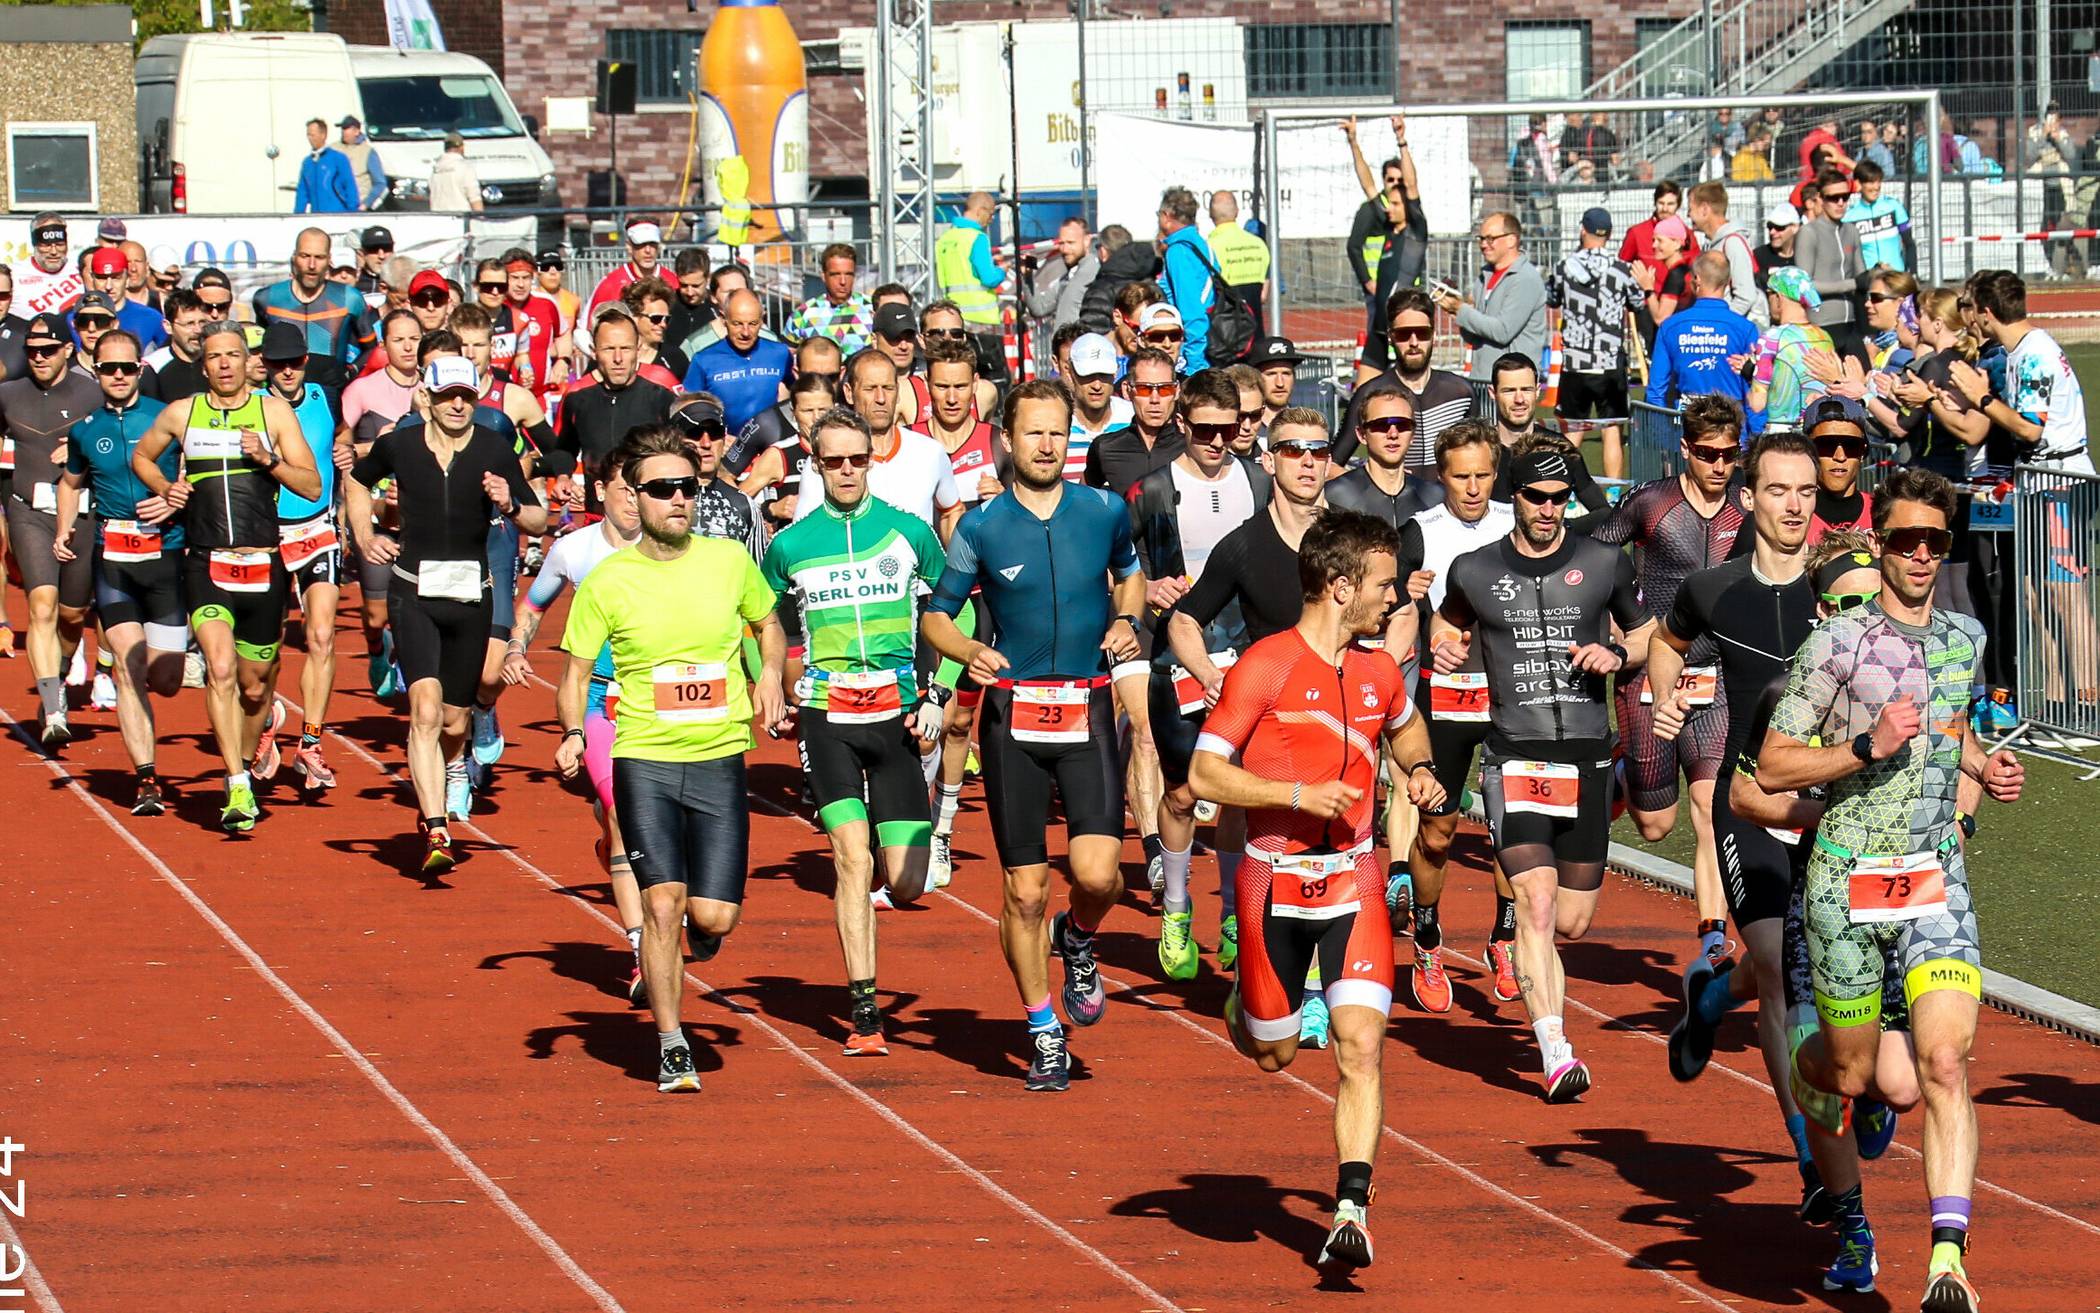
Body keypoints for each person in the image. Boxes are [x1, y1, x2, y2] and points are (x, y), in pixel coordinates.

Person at [1757, 467, 2024, 1313]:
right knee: (1853, 1068)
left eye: (1933, 542)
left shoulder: (1964, 637)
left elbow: (1952, 724)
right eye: (1903, 539)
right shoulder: (1835, 646)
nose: (1917, 553)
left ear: (1946, 550)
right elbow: (1771, 765)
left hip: (1933, 877)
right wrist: (1866, 746)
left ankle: (1947, 1258)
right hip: (1844, 878)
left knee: (1945, 1061)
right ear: (1881, 544)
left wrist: (1986, 762)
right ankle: (1815, 1075)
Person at [1192, 509, 1444, 1272]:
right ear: (1340, 587)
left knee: (1360, 1047)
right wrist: (1297, 795)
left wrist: (1422, 770)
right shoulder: (1265, 664)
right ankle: (1246, 1005)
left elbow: (1404, 728)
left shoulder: (1376, 669)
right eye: (1382, 584)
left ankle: (1350, 1210)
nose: (1393, 597)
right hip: (1272, 879)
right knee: (1274, 1053)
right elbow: (1206, 774)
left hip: (1355, 882)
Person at [921, 379, 1146, 1092]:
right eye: (1034, 433)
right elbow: (935, 616)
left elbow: (1132, 579)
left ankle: (1077, 936)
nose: (1047, 445)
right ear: (1008, 441)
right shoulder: (983, 527)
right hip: (1013, 716)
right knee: (1023, 891)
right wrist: (965, 650)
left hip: (1085, 708)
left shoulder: (1105, 510)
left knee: (1099, 874)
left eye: (1058, 433)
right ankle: (1043, 1026)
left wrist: (1124, 620)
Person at [555, 425, 788, 1093]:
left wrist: (770, 673)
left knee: (712, 916)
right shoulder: (609, 581)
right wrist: (573, 730)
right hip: (645, 759)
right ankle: (671, 1039)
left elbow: (768, 622)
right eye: (663, 488)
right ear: (634, 496)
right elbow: (573, 672)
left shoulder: (727, 562)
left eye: (687, 486)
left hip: (718, 758)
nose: (679, 498)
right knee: (662, 904)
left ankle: (700, 943)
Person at [1433, 445, 1653, 1100]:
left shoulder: (1604, 561)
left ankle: (1539, 976)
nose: (1550, 509)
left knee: (1574, 920)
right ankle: (1555, 1047)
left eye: (1560, 497)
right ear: (1515, 499)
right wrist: (1442, 648)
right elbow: (1448, 627)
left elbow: (1647, 634)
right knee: (1535, 899)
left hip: (1586, 756)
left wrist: (1616, 652)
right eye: (1537, 497)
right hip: (1516, 756)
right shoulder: (1474, 569)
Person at [1650, 429, 1823, 1162]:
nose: (1793, 505)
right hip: (1747, 799)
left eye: (1806, 491)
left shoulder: (1838, 584)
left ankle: (1714, 996)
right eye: (1778, 490)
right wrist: (1665, 701)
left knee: (1785, 959)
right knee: (1784, 976)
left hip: (1828, 804)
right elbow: (1664, 640)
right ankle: (1809, 1158)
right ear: (1749, 498)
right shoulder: (1713, 588)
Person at [761, 406, 947, 1052]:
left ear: (872, 460)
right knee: (849, 854)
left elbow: (958, 613)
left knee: (904, 880)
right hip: (827, 715)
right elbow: (766, 616)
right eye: (833, 460)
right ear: (815, 462)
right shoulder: (791, 545)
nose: (846, 470)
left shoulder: (908, 532)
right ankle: (865, 1012)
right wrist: (772, 677)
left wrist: (938, 691)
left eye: (857, 459)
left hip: (896, 716)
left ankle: (884, 857)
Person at [1167, 408, 1335, 1031]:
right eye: (1293, 451)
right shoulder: (1243, 544)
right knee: (1273, 843)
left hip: (1337, 716)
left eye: (1318, 450)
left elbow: (1391, 605)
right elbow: (1184, 618)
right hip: (1267, 715)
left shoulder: (1345, 535)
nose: (1308, 462)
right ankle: (1259, 968)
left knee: (1334, 842)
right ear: (1269, 460)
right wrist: (1213, 678)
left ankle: (1315, 985)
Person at [345, 355, 543, 867]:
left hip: (470, 598)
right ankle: (435, 828)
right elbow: (355, 480)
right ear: (427, 398)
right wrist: (366, 535)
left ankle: (451, 767)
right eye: (448, 395)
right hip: (413, 593)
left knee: (455, 721)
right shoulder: (400, 445)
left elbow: (539, 518)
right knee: (425, 710)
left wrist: (510, 504)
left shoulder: (495, 447)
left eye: (467, 395)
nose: (458, 404)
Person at [129, 323, 321, 830]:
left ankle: (251, 754)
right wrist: (167, 487)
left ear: (246, 360)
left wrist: (268, 459)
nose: (225, 364)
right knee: (219, 667)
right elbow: (143, 455)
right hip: (206, 562)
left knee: (256, 689)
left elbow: (311, 482)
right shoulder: (182, 413)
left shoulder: (273, 412)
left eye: (233, 355)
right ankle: (236, 784)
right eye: (215, 357)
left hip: (262, 565)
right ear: (203, 364)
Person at [1589, 394, 1747, 965]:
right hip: (1648, 676)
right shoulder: (1651, 503)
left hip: (1716, 679)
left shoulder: (1744, 511)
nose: (1719, 467)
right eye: (1708, 455)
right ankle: (1620, 773)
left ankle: (1711, 939)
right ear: (1685, 450)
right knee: (1655, 825)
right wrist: (1619, 624)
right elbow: (1594, 558)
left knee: (1710, 805)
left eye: (1730, 455)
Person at [1129, 368, 1269, 978]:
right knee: (1186, 790)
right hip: (1176, 656)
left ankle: (1236, 912)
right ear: (1182, 424)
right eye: (1206, 430)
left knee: (1239, 790)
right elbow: (1121, 564)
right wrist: (1145, 585)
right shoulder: (1152, 491)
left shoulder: (1261, 482)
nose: (1218, 441)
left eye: (1230, 428)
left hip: (1248, 651)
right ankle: (1179, 909)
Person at [507, 449, 648, 996]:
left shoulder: (669, 550)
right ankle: (640, 948)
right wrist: (518, 648)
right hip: (596, 702)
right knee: (620, 812)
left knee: (637, 818)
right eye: (624, 489)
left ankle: (615, 844)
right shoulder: (573, 550)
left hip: (656, 701)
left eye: (642, 489)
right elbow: (534, 605)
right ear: (601, 494)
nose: (635, 501)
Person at [1402, 422, 1521, 1008]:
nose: (1472, 488)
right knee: (1439, 830)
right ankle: (1426, 935)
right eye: (1459, 476)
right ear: (1440, 476)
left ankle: (1505, 936)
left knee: (1512, 830)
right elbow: (1389, 608)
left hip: (1508, 696)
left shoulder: (1517, 521)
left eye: (1482, 475)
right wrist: (1423, 622)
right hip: (1444, 700)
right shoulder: (1420, 532)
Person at [51, 330, 182, 809]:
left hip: (167, 555)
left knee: (165, 681)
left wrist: (174, 499)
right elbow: (70, 483)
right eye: (109, 369)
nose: (119, 376)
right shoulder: (86, 429)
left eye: (128, 368)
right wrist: (64, 529)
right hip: (115, 560)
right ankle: (146, 778)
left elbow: (196, 469)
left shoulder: (165, 417)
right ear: (95, 370)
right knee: (128, 666)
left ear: (141, 369)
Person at [253, 323, 346, 793]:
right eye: (277, 363)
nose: (287, 371)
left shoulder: (326, 396)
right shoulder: (252, 408)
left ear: (305, 362)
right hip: (266, 534)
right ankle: (267, 716)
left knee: (322, 635)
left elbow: (343, 438)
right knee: (263, 648)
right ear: (264, 364)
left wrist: (348, 452)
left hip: (316, 529)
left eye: (294, 362)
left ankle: (310, 742)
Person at [2, 313, 102, 743]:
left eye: (47, 350)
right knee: (41, 604)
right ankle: (52, 706)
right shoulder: (7, 395)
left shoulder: (93, 393)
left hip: (80, 513)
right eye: (31, 352)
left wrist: (81, 447)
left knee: (72, 613)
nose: (38, 358)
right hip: (28, 511)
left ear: (66, 350)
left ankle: (58, 676)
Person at [793, 348, 960, 536]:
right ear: (849, 393)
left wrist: (953, 561)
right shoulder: (829, 461)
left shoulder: (930, 452)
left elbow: (951, 510)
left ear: (897, 391)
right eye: (870, 389)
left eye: (888, 388)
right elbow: (804, 534)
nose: (881, 399)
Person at [1951, 269, 2092, 473]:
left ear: (1987, 314)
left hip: (2059, 481)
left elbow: (2029, 428)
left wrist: (1982, 398)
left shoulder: (2034, 356)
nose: (1970, 317)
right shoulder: (2021, 350)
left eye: (1972, 308)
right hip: (2041, 476)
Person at [1334, 289, 1475, 474]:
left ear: (1433, 335)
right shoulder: (1370, 394)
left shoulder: (1461, 392)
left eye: (1422, 333)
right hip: (1391, 503)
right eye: (1403, 334)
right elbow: (1331, 466)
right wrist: (1372, 484)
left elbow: (1479, 457)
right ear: (1390, 337)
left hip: (1448, 502)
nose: (1414, 342)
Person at [552, 313, 678, 514]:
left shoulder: (663, 387)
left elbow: (689, 441)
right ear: (594, 352)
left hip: (652, 515)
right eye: (609, 349)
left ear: (638, 349)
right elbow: (564, 448)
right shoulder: (577, 395)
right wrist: (562, 477)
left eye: (625, 348)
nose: (618, 359)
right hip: (598, 514)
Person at [1548, 208, 1641, 479]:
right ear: (1609, 234)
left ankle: (1560, 485)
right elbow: (1637, 303)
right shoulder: (1621, 269)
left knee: (1573, 431)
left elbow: (1552, 297)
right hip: (1610, 361)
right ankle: (1613, 495)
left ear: (1582, 230)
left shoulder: (1564, 267)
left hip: (1576, 361)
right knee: (1611, 430)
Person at [251, 228, 378, 401]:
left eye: (319, 257)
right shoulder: (267, 298)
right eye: (305, 256)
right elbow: (260, 348)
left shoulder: (349, 298)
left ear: (329, 261)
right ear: (294, 258)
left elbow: (371, 348)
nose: (312, 265)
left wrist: (351, 371)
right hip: (279, 397)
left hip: (331, 396)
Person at [1342, 116, 1425, 378]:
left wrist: (1402, 140)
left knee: (1403, 392)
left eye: (1397, 205)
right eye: (1388, 204)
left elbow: (1411, 186)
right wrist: (1353, 142)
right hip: (1380, 326)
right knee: (1362, 396)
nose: (1390, 209)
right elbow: (1367, 184)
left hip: (1403, 326)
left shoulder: (1415, 231)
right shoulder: (1389, 227)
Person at [1437, 212, 1546, 404]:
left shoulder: (1525, 279)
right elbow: (1475, 335)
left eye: (1490, 238)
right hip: (1483, 380)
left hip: (1513, 384)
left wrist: (1461, 310)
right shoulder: (1485, 276)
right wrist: (1456, 311)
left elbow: (1502, 331)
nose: (1483, 244)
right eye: (1481, 238)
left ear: (1512, 240)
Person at [1646, 252, 1761, 424]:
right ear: (1728, 282)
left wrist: (1662, 431)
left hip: (1688, 425)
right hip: (1732, 426)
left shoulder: (1671, 326)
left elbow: (1656, 390)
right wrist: (1755, 437)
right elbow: (1755, 389)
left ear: (1696, 279)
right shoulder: (1745, 329)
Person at [684, 290, 791, 436]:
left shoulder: (780, 353)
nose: (745, 332)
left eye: (753, 324)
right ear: (724, 320)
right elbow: (689, 409)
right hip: (725, 445)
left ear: (761, 321)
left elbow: (800, 394)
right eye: (737, 324)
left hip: (771, 444)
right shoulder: (703, 360)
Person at [1326, 387, 1439, 525]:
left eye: (1402, 425)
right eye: (1381, 425)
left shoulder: (1435, 496)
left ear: (1412, 435)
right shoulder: (1335, 495)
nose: (1393, 434)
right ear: (1362, 435)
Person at [908, 338, 1001, 505]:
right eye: (942, 387)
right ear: (927, 384)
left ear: (975, 383)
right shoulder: (907, 441)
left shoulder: (997, 443)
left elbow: (1028, 516)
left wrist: (1005, 500)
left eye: (960, 387)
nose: (952, 399)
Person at [934, 192, 1012, 383]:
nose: (991, 219)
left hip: (955, 322)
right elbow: (989, 278)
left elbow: (944, 280)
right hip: (982, 322)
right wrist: (1002, 270)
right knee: (996, 378)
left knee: (964, 377)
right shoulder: (977, 238)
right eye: (991, 214)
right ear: (980, 211)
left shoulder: (945, 239)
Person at [1085, 346, 1184, 495]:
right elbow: (1084, 503)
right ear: (1127, 390)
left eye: (1165, 389)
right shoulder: (1105, 448)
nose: (1155, 399)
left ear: (1176, 391)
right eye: (1144, 389)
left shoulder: (1190, 447)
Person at [1750, 267, 1836, 432]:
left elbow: (1757, 404)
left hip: (1781, 437)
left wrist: (1750, 372)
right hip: (1817, 433)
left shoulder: (1771, 338)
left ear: (1779, 297)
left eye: (1769, 293)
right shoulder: (1825, 337)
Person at [1795, 169, 1866, 359]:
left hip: (1852, 323)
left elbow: (1862, 277)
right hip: (1821, 324)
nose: (1841, 203)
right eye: (1834, 198)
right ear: (1820, 198)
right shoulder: (1809, 233)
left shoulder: (1851, 231)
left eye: (1845, 196)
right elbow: (1805, 285)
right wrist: (1852, 284)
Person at [1685, 181, 1765, 325]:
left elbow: (1746, 296)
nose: (1688, 215)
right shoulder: (1713, 245)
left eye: (1690, 209)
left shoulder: (1733, 243)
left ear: (1704, 209)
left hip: (1734, 336)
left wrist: (1720, 324)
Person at [1155, 187, 1215, 373]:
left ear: (1166, 216)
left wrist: (1194, 366)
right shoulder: (1200, 243)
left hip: (1194, 356)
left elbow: (1191, 310)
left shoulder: (1178, 252)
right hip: (1207, 341)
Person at [1063, 331, 1133, 480]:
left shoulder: (1132, 418)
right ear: (1070, 373)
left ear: (1115, 372)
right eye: (1087, 375)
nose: (1096, 385)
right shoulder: (1056, 424)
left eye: (1104, 374)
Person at [786, 244, 874, 355]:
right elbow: (788, 357)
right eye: (835, 274)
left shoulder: (872, 308)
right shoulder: (802, 314)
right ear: (823, 276)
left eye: (848, 274)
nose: (843, 281)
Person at [1205, 190, 1270, 334]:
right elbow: (1263, 296)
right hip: (1255, 332)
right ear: (1237, 212)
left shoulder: (1208, 247)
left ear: (1210, 215)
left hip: (1224, 337)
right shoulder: (1258, 244)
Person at [586, 219, 666, 331]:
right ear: (629, 246)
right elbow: (588, 327)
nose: (648, 250)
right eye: (641, 244)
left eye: (652, 244)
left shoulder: (671, 281)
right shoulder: (610, 284)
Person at [1024, 217, 1098, 340]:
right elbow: (1039, 308)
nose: (1064, 249)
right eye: (1061, 243)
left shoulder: (1095, 272)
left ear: (1086, 241)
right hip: (1063, 353)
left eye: (1070, 243)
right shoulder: (1066, 278)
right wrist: (1027, 277)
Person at [1620, 182, 1693, 289]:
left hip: (1678, 300)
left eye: (1670, 204)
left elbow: (1696, 269)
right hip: (1645, 301)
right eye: (1661, 203)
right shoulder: (1636, 233)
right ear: (1655, 203)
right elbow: (1621, 268)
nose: (1665, 209)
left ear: (1678, 205)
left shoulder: (1686, 234)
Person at [1844, 161, 1913, 274]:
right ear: (1858, 184)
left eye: (1878, 181)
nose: (1876, 187)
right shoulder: (1849, 216)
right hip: (1868, 280)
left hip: (1896, 277)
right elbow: (1847, 253)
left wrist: (1912, 273)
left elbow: (1909, 243)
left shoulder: (1893, 206)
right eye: (1871, 182)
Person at [621, 278, 688, 384]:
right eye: (656, 318)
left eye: (667, 319)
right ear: (634, 317)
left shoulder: (675, 358)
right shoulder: (615, 358)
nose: (663, 324)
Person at [293, 118, 359, 214]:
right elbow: (302, 192)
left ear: (323, 135)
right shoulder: (307, 163)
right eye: (308, 135)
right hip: (316, 216)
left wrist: (353, 212)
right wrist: (298, 215)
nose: (310, 138)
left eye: (312, 135)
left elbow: (350, 186)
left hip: (338, 214)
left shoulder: (338, 158)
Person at [663, 249, 714, 355]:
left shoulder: (717, 308)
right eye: (684, 285)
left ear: (708, 278)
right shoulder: (666, 306)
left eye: (696, 286)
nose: (690, 292)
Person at [337, 116, 389, 211]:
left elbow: (380, 183)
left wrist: (366, 204)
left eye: (346, 128)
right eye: (342, 128)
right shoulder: (333, 148)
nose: (343, 132)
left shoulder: (367, 152)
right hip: (337, 207)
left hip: (358, 207)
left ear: (356, 131)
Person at [427, 132, 483, 214]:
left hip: (438, 218)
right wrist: (480, 218)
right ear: (462, 147)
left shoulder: (435, 170)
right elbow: (474, 198)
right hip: (461, 219)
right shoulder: (465, 168)